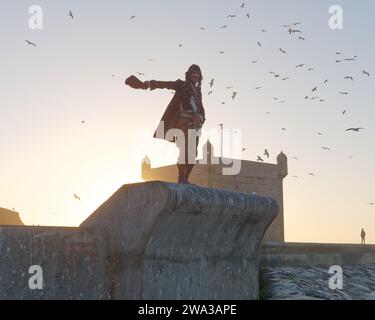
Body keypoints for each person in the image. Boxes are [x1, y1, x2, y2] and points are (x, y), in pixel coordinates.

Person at [126, 64, 206, 184]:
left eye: (198, 74)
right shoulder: (181, 85)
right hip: (183, 122)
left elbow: (201, 109)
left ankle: (185, 178)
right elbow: (165, 84)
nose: (195, 75)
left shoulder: (198, 92)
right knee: (184, 150)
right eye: (193, 73)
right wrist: (148, 84)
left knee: (193, 154)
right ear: (189, 74)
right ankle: (181, 178)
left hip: (195, 125)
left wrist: (201, 118)